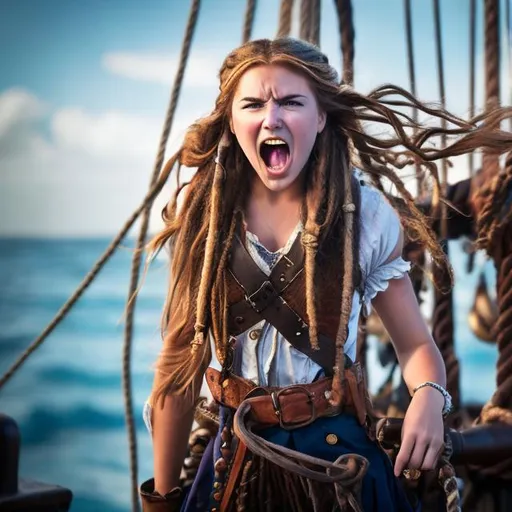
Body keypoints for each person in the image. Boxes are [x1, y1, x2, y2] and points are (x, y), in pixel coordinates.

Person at [139, 38, 511, 511]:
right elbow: (178, 366)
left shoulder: (366, 215)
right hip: (232, 465)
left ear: (320, 118)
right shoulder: (204, 213)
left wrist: (429, 399)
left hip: (339, 467)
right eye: (253, 103)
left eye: (292, 102)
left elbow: (416, 346)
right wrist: (163, 500)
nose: (271, 118)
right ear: (231, 121)